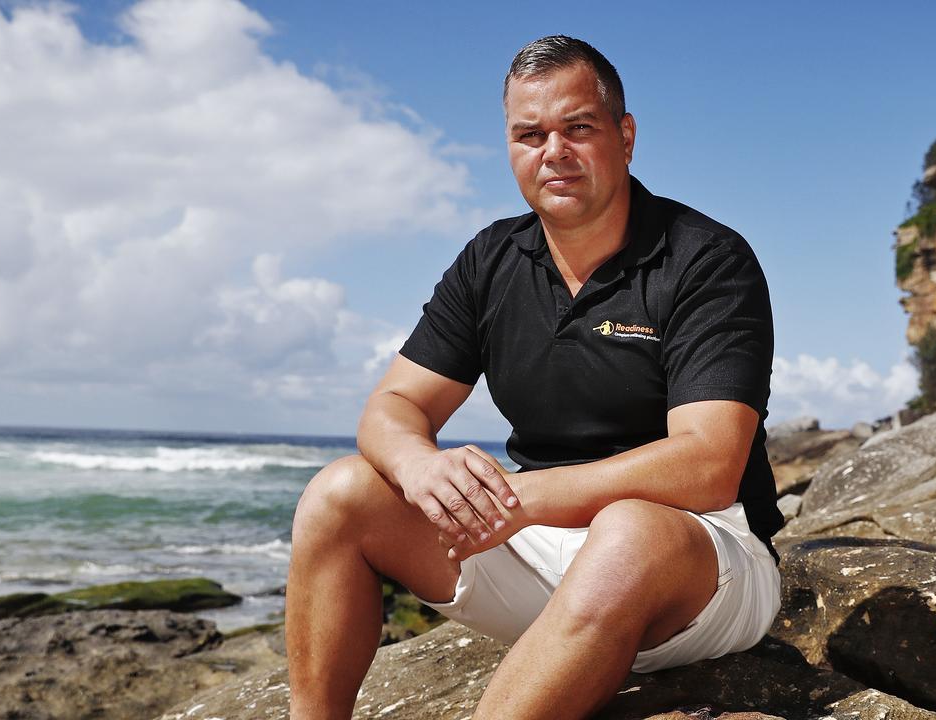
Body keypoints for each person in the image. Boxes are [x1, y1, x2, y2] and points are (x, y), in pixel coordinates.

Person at [285, 35, 784, 720]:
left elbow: (707, 466)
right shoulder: (493, 258)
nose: (553, 151)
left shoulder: (705, 259)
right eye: (530, 134)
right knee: (338, 493)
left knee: (630, 531)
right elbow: (394, 404)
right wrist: (418, 467)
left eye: (578, 127)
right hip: (541, 556)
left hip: (701, 565)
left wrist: (514, 500)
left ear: (625, 135)